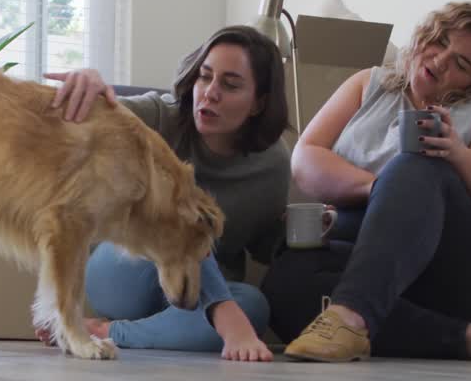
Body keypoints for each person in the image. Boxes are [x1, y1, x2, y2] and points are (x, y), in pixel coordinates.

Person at [261, 1, 471, 363]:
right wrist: (377, 190)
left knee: (416, 164)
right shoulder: (369, 83)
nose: (441, 60)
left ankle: (350, 316)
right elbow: (306, 158)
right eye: (440, 41)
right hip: (375, 268)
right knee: (287, 283)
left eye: (461, 64)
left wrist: (459, 154)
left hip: (459, 277)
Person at [43, 25, 292, 362]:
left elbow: (264, 247)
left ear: (259, 103)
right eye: (205, 77)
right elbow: (93, 112)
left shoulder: (273, 164)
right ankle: (218, 315)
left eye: (230, 85)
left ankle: (108, 332)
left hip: (193, 297)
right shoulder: (158, 116)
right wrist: (89, 79)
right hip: (127, 270)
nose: (210, 93)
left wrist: (306, 226)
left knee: (253, 308)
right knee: (176, 222)